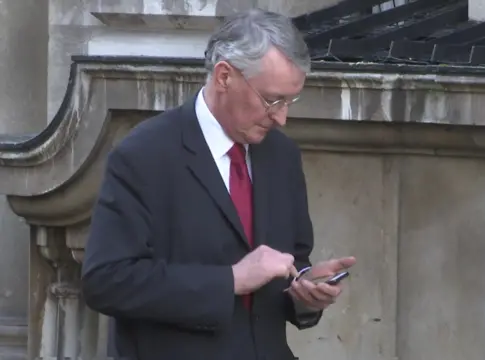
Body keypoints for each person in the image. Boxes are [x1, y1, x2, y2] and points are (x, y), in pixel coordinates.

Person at [80, 8, 356, 360]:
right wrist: (231, 280)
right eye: (272, 100)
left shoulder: (282, 156)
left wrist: (304, 290)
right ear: (224, 76)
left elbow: (292, 260)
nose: (282, 118)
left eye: (289, 101)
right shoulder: (143, 155)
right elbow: (106, 281)